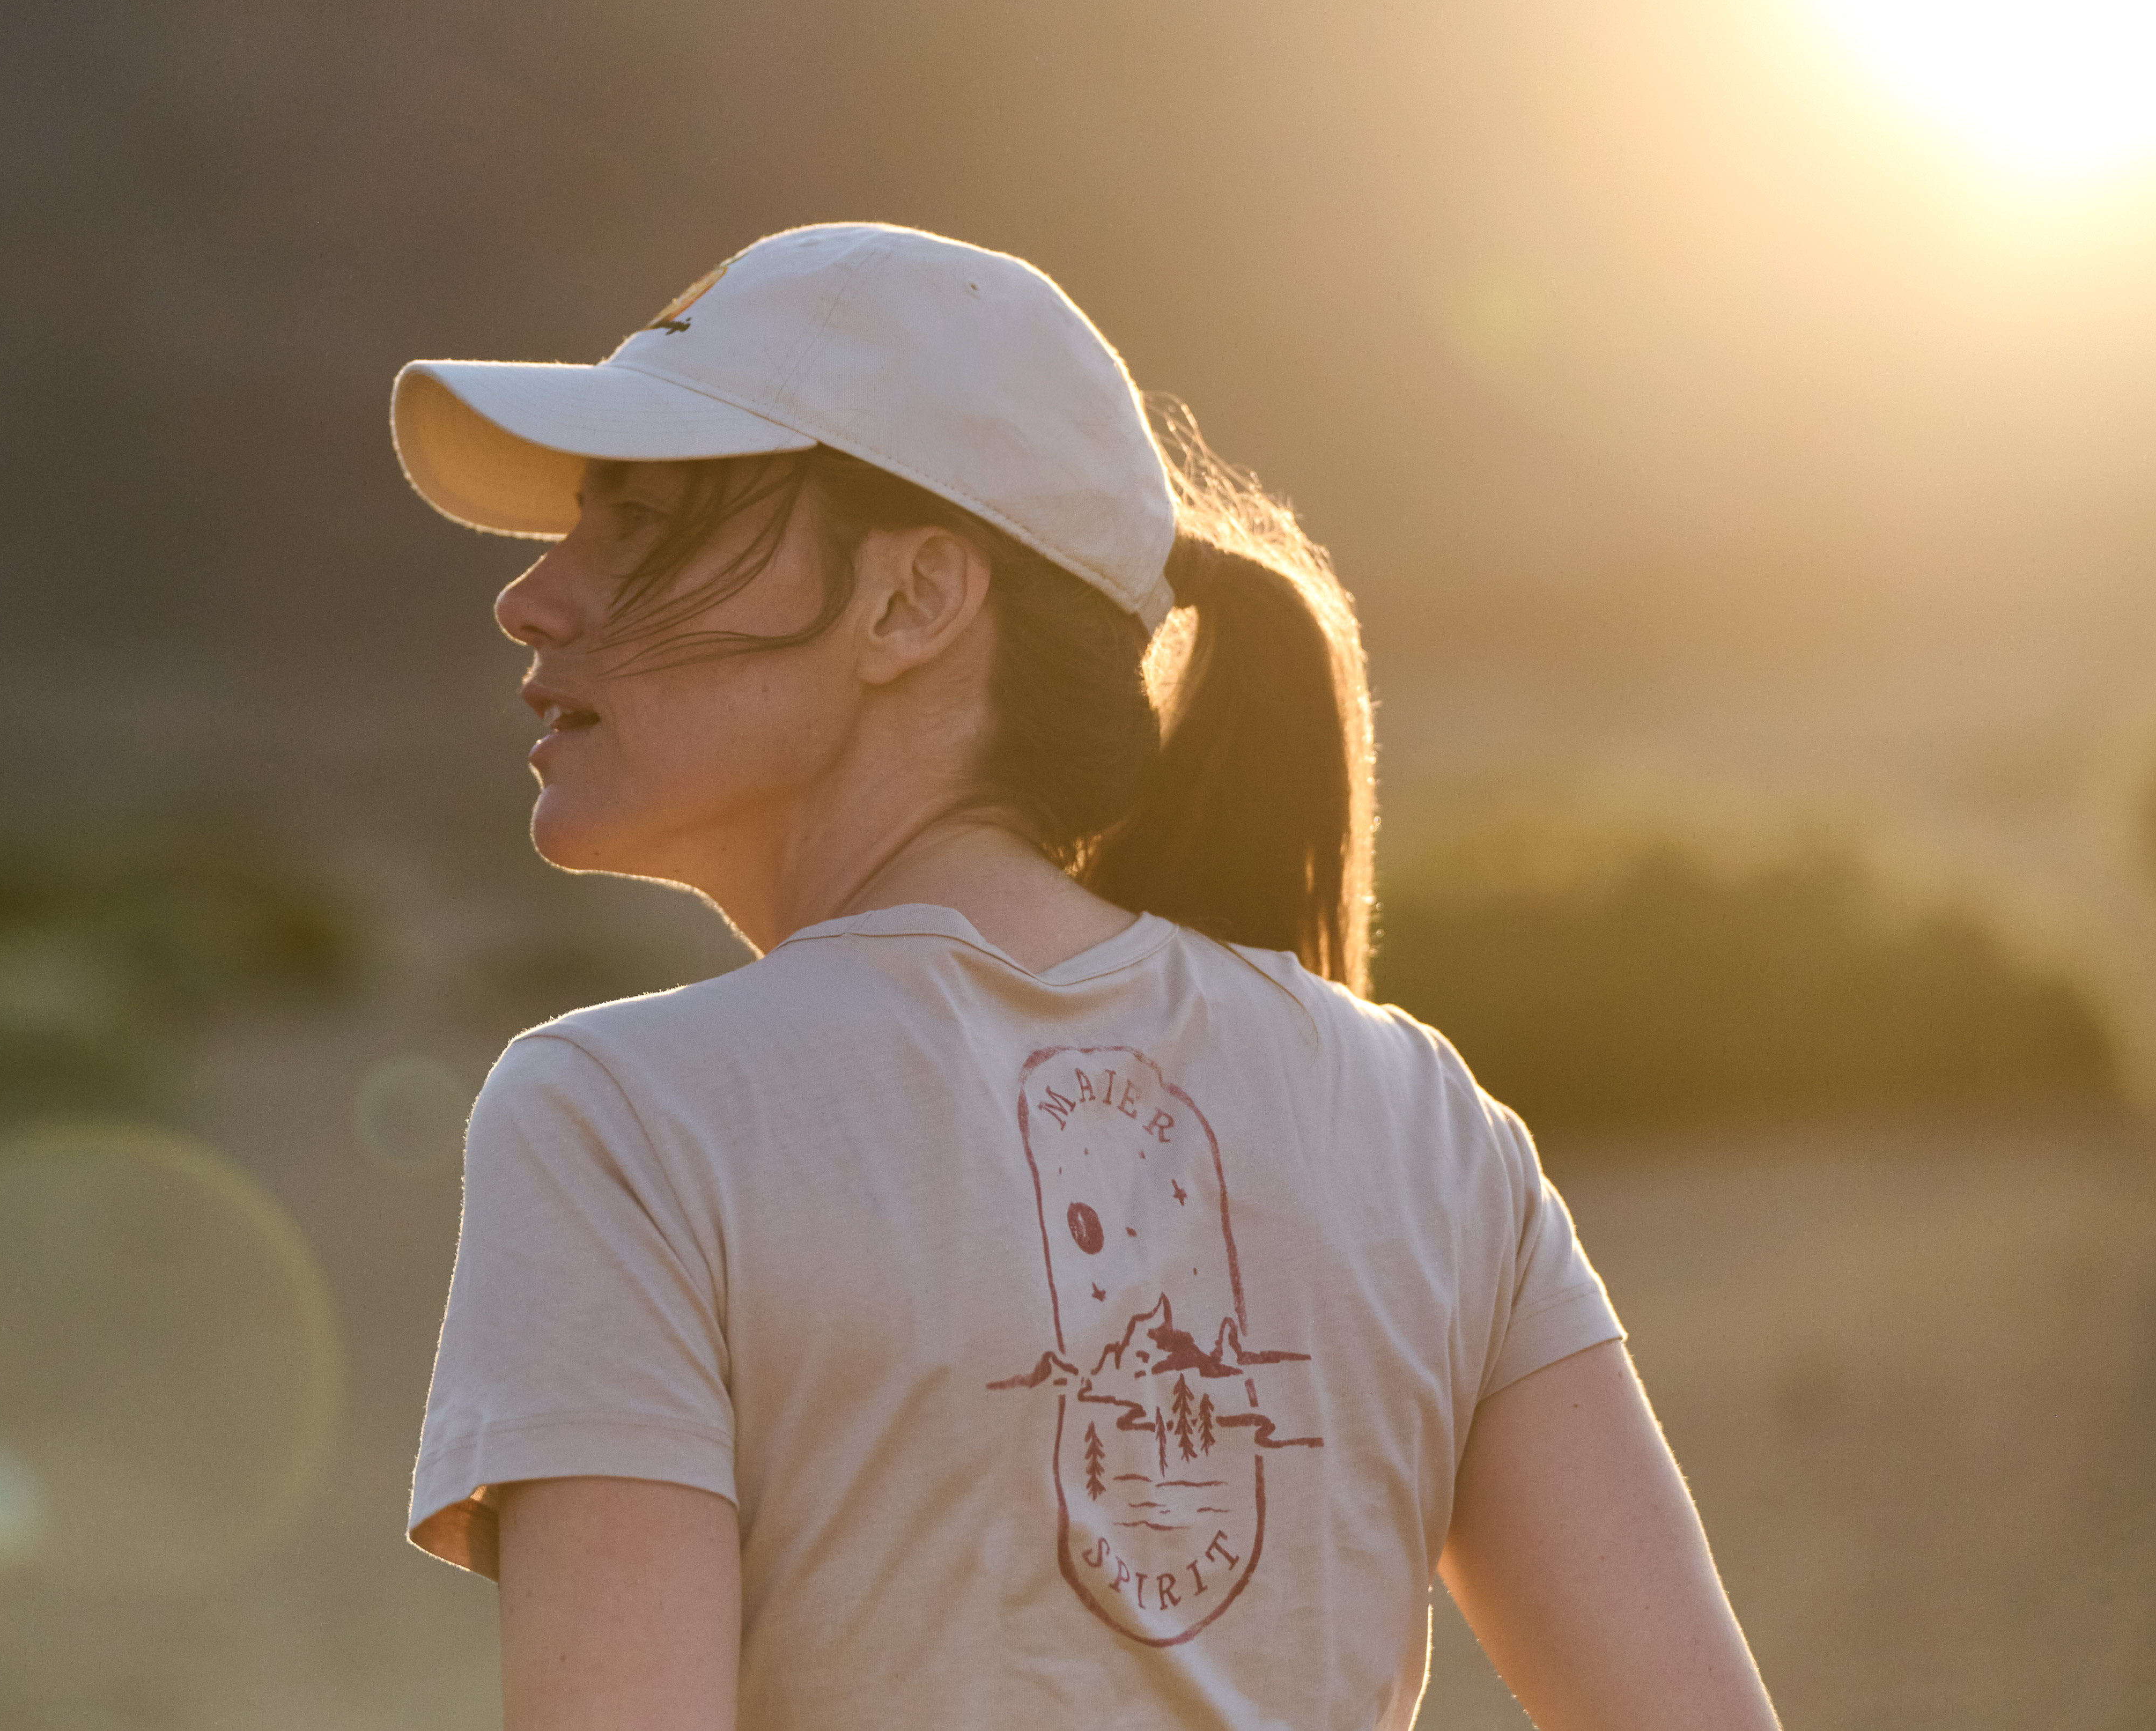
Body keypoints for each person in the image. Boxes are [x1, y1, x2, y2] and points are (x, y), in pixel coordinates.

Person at [389, 222, 1779, 1731]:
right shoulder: (1423, 1119)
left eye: (643, 525)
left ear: (913, 601)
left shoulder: (622, 1119)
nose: (533, 598)